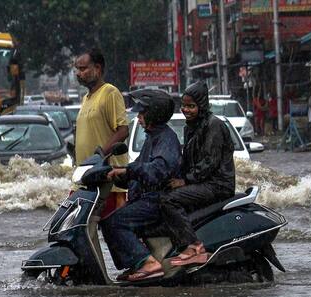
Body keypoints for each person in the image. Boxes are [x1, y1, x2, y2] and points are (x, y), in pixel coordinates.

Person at [100, 90, 181, 282]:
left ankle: (148, 263)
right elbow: (139, 171)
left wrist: (127, 171)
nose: (138, 117)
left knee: (115, 222)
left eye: (142, 113)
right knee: (107, 220)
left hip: (158, 200)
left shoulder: (166, 139)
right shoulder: (152, 137)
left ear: (154, 114)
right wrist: (115, 174)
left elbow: (156, 170)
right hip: (147, 198)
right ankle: (137, 263)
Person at [160, 82, 236, 267]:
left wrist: (185, 180)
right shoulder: (191, 127)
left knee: (169, 200)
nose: (186, 110)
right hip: (202, 182)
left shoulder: (214, 125)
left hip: (217, 185)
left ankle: (194, 247)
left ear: (202, 105)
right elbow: (187, 159)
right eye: (184, 106)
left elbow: (209, 162)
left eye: (191, 106)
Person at [73, 48, 130, 217]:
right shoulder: (86, 98)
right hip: (85, 179)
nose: (78, 73)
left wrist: (100, 155)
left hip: (107, 181)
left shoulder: (110, 92)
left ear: (97, 69)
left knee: (113, 233)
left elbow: (123, 130)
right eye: (77, 69)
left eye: (83, 69)